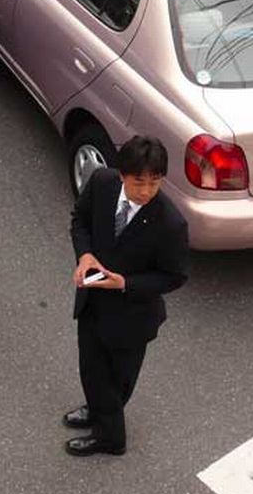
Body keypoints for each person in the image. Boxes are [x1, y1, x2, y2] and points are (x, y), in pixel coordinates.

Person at [64, 135, 189, 456]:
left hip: (133, 316)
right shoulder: (102, 183)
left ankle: (111, 438)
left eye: (154, 182)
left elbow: (174, 276)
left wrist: (125, 283)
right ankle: (96, 410)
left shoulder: (171, 223)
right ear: (121, 174)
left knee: (117, 380)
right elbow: (79, 221)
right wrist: (85, 255)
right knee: (91, 368)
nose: (146, 191)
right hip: (93, 301)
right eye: (138, 182)